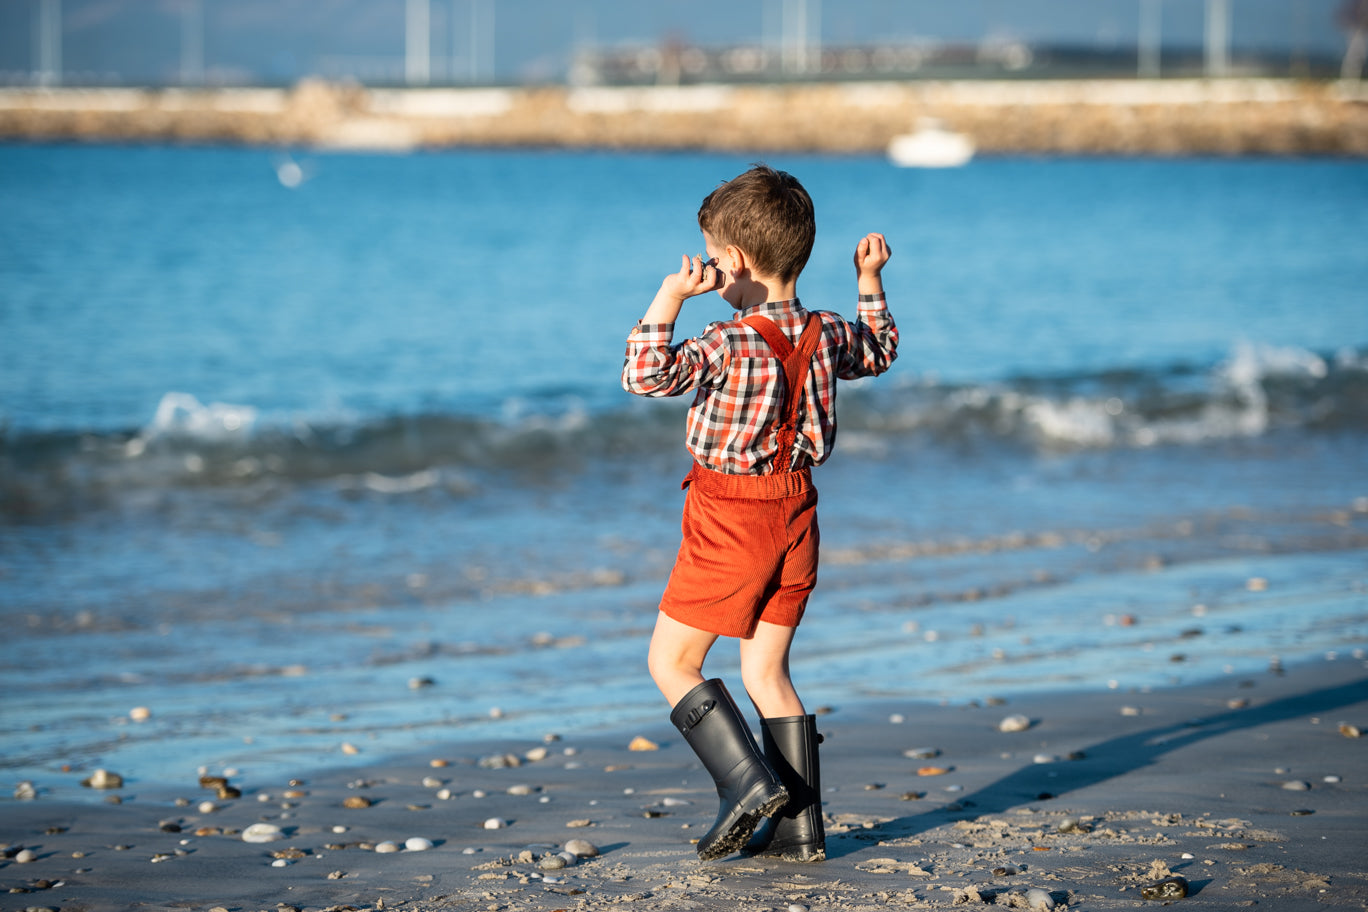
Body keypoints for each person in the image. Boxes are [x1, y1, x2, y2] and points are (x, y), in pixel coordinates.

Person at [621, 164, 898, 862]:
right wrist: (869, 281)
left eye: (713, 260)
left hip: (730, 518)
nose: (709, 273)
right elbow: (880, 351)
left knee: (670, 660)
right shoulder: (828, 331)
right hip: (797, 514)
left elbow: (645, 376)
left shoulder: (725, 341)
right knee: (766, 671)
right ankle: (801, 829)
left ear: (735, 261)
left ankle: (745, 784)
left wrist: (670, 294)